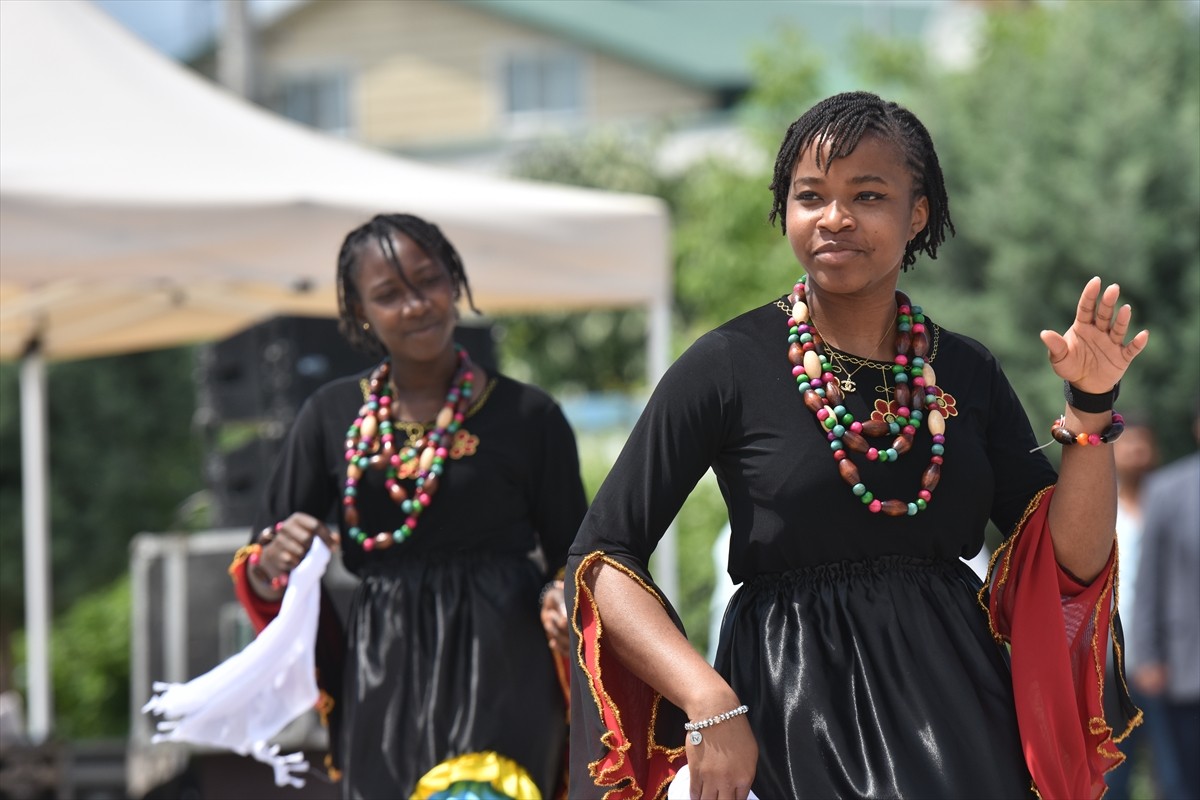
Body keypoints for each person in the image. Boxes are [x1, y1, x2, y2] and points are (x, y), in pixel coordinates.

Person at [566, 92, 1148, 800]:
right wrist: (706, 696)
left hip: (960, 710)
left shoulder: (966, 370)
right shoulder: (726, 364)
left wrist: (1090, 405)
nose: (834, 217)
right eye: (811, 196)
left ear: (918, 214)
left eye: (867, 195)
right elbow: (602, 556)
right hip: (794, 706)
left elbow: (1067, 567)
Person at [227, 213, 588, 799]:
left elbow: (577, 553)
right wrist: (276, 557)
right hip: (382, 669)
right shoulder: (329, 416)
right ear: (360, 312)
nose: (416, 305)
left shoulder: (529, 416)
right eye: (389, 294)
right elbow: (262, 561)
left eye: (428, 281)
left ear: (455, 281)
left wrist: (559, 594)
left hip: (503, 662)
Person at [1131, 407, 1200, 800]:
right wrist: (1147, 654)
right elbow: (1149, 580)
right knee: (1181, 781)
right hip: (1186, 667)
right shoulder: (1168, 490)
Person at [1104, 418, 1165, 799]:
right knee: (1113, 770)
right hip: (1109, 661)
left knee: (1173, 768)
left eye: (1143, 445)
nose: (1136, 453)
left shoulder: (1173, 505)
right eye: (1128, 445)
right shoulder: (1098, 510)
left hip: (1167, 659)